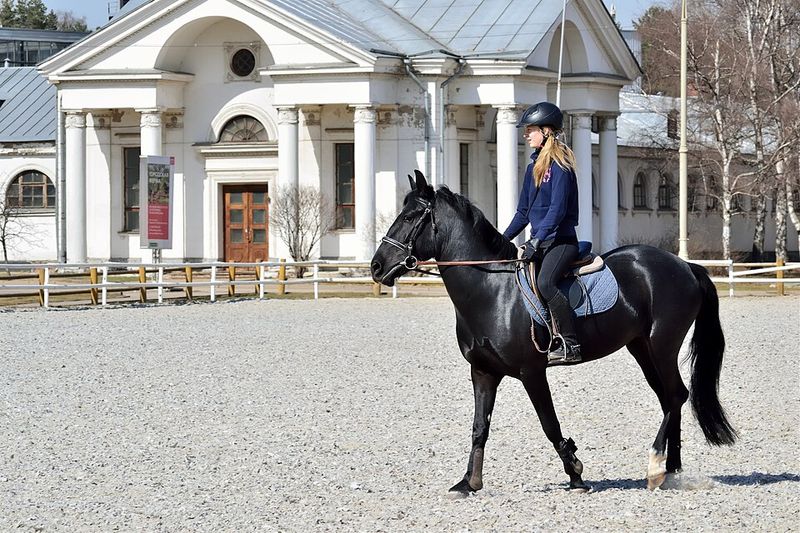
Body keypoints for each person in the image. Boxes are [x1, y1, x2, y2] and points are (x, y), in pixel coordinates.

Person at [502, 101, 581, 365]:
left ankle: (571, 343)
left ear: (547, 131)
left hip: (561, 241)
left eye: (531, 130)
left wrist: (536, 239)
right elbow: (523, 213)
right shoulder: (532, 167)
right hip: (540, 242)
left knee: (546, 283)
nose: (526, 134)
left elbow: (557, 211)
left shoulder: (561, 166)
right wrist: (501, 241)